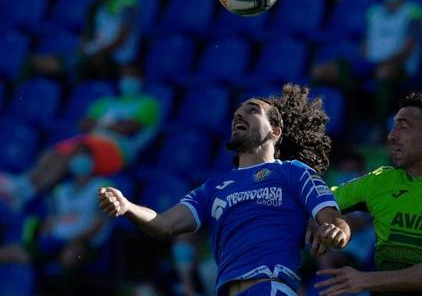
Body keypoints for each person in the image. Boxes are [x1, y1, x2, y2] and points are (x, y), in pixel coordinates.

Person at [99, 84, 352, 296]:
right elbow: (164, 224)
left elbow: (335, 220)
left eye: (251, 111)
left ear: (275, 132)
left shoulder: (294, 172)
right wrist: (128, 207)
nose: (238, 116)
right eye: (236, 113)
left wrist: (336, 232)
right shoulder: (213, 189)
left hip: (269, 288)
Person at [311, 93, 422, 296]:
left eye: (403, 127)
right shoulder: (379, 181)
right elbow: (315, 200)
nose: (391, 135)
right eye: (393, 126)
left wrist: (365, 280)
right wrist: (339, 225)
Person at [0, 64, 161, 209]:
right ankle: (23, 185)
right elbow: (84, 124)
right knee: (56, 150)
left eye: (133, 76)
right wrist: (110, 125)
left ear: (141, 79)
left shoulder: (148, 104)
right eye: (126, 76)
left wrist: (101, 124)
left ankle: (26, 192)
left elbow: (126, 129)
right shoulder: (106, 102)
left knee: (77, 149)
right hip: (91, 143)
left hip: (119, 151)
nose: (128, 80)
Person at [312, 0, 422, 130]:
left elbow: (408, 48)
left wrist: (383, 63)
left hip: (398, 66)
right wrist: (361, 65)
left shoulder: (414, 11)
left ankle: (378, 126)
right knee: (323, 71)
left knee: (384, 72)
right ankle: (321, 122)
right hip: (370, 63)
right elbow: (365, 45)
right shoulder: (374, 12)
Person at [35, 143, 113, 291]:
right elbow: (50, 219)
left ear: (92, 160)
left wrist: (75, 239)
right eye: (76, 156)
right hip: (58, 238)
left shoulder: (103, 186)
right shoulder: (60, 189)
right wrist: (45, 235)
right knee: (29, 253)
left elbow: (98, 224)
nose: (79, 160)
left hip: (85, 241)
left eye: (84, 155)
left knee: (70, 255)